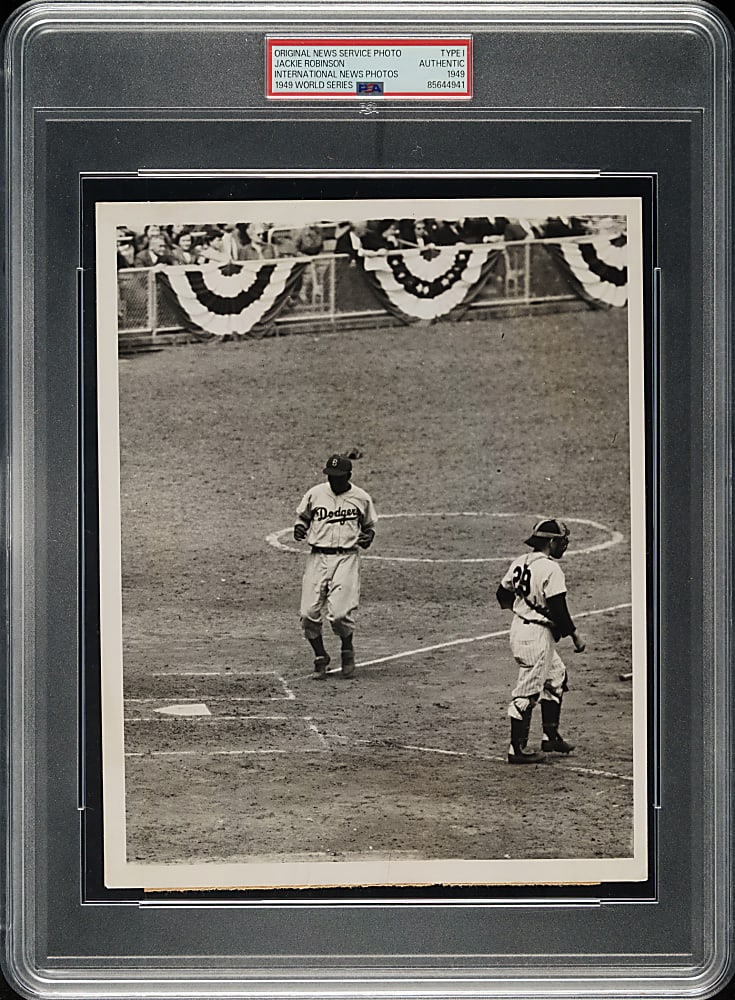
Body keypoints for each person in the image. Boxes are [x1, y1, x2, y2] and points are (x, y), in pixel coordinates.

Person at [496, 519, 586, 764]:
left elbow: (501, 594)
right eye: (561, 541)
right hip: (536, 637)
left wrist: (524, 609)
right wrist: (575, 635)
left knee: (556, 676)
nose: (563, 546)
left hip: (521, 630)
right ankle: (516, 750)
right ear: (551, 542)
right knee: (527, 693)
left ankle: (550, 736)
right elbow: (559, 609)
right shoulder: (551, 569)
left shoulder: (521, 561)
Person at [293, 454, 377, 679]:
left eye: (338, 477)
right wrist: (299, 528)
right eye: (330, 476)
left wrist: (368, 537)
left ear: (348, 476)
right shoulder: (315, 494)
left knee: (339, 615)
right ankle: (321, 656)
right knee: (308, 613)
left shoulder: (361, 498)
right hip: (317, 557)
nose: (333, 481)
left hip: (346, 559)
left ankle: (347, 649)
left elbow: (369, 526)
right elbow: (303, 518)